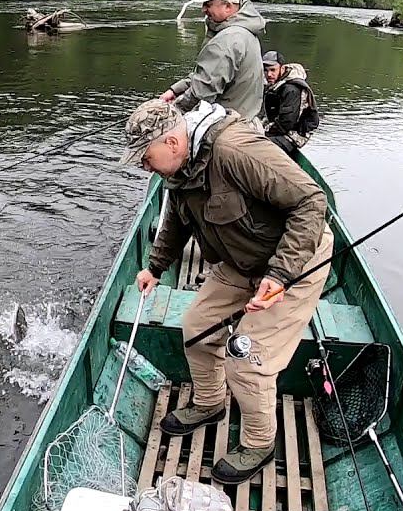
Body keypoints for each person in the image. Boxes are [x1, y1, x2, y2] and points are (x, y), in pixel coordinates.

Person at [120, 99, 333, 485]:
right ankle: (210, 402)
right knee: (197, 327)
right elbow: (176, 219)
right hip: (242, 259)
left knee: (247, 358)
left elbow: (311, 201)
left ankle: (259, 443)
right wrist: (155, 266)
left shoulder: (235, 151)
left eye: (145, 157)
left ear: (170, 143)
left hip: (296, 262)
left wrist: (280, 274)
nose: (142, 166)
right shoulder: (179, 169)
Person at [160, 0, 267, 121]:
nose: (203, 9)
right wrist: (176, 89)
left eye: (208, 4)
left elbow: (202, 92)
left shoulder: (226, 40)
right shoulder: (247, 32)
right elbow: (210, 74)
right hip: (245, 124)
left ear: (228, 6)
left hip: (225, 128)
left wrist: (170, 111)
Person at [261, 51, 320, 155]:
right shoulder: (277, 84)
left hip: (294, 135)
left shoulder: (291, 89)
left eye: (273, 70)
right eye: (266, 70)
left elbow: (286, 124)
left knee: (256, 146)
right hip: (281, 129)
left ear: (282, 68)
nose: (269, 74)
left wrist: (264, 133)